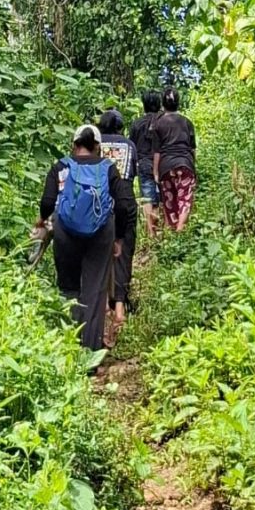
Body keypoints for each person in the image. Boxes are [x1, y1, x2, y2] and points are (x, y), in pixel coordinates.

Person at [37, 124, 137, 358]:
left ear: (74, 145)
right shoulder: (108, 168)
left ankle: (69, 350)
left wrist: (41, 221)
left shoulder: (61, 166)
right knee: (94, 292)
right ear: (98, 147)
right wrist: (118, 238)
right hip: (101, 234)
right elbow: (123, 206)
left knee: (69, 289)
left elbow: (48, 202)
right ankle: (90, 357)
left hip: (65, 233)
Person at [98, 109, 137, 345]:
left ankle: (103, 307)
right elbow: (131, 174)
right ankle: (120, 309)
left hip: (99, 203)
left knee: (99, 255)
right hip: (125, 200)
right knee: (124, 253)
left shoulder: (95, 143)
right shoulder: (129, 145)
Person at [152, 86, 197, 232]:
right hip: (185, 165)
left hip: (166, 167)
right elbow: (192, 149)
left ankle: (173, 231)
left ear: (163, 104)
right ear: (178, 102)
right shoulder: (187, 122)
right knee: (185, 199)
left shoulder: (158, 124)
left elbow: (157, 151)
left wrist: (156, 172)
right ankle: (181, 228)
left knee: (169, 202)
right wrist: (193, 166)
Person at [129, 90, 163, 237]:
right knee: (163, 196)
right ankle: (162, 232)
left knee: (148, 198)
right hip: (163, 163)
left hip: (144, 163)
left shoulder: (137, 124)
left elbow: (132, 146)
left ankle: (151, 233)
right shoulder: (165, 121)